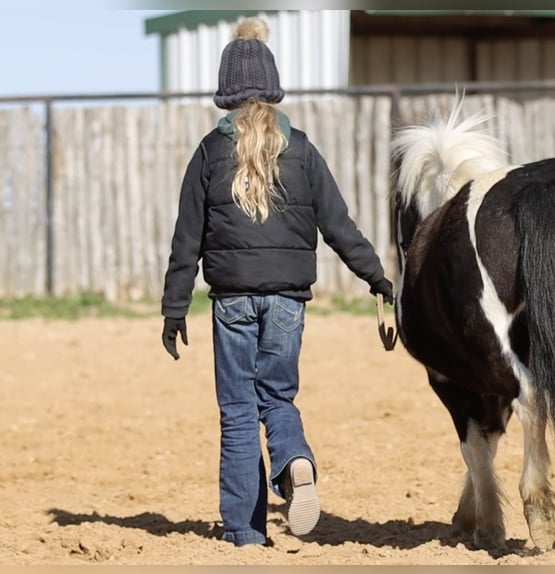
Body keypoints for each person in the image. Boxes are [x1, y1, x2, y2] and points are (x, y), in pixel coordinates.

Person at [159, 17, 394, 547]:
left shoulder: (208, 152)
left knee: (239, 411)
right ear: (271, 86)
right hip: (288, 301)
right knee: (277, 398)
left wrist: (174, 310)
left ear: (226, 93)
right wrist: (377, 278)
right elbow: (339, 225)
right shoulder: (303, 149)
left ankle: (245, 532)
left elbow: (186, 240)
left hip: (232, 301)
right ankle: (295, 460)